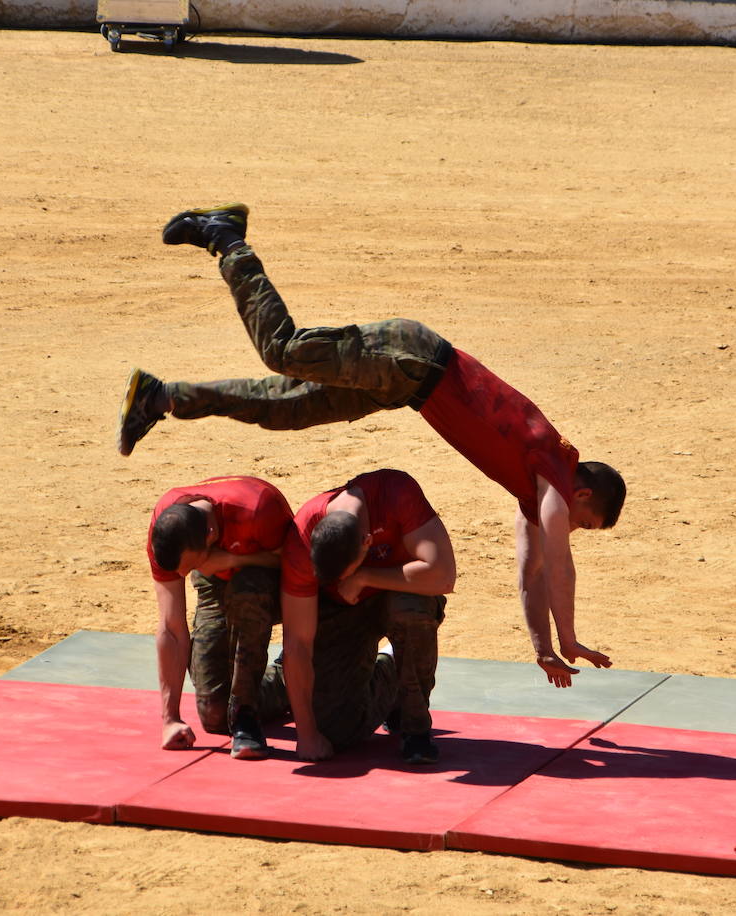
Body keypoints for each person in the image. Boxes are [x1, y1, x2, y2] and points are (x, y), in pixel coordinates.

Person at [119, 203, 626, 694]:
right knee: (284, 351)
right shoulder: (557, 475)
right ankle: (226, 237)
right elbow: (559, 565)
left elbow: (532, 572)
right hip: (414, 358)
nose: (572, 529)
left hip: (405, 384)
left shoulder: (536, 491)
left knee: (286, 409)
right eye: (585, 523)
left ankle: (161, 397)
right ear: (583, 497)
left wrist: (543, 648)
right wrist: (570, 635)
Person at [261, 467, 455, 763]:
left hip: (397, 598)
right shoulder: (303, 534)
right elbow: (297, 642)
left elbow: (443, 576)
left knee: (411, 610)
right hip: (342, 611)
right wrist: (308, 735)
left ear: (367, 541)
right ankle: (388, 666)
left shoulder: (395, 492)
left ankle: (415, 727)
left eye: (344, 572)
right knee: (337, 732)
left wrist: (364, 576)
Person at [147, 475, 293, 759]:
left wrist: (234, 560)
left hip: (264, 577)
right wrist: (170, 718)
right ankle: (287, 675)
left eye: (191, 566)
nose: (183, 577)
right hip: (216, 572)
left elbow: (295, 563)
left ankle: (246, 716)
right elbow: (170, 626)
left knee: (246, 593)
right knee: (215, 715)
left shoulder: (258, 509)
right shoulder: (167, 526)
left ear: (211, 533)